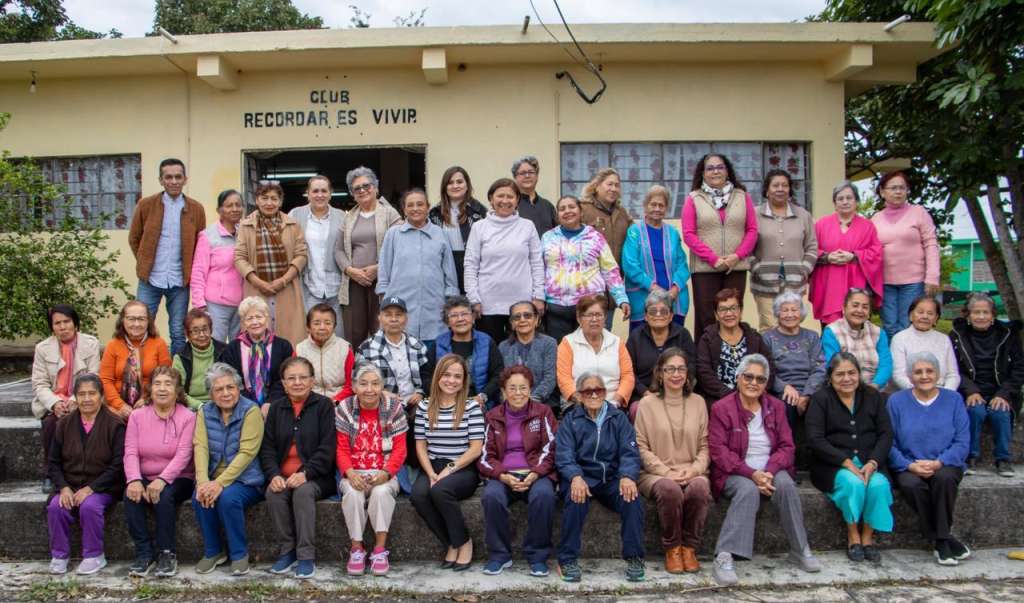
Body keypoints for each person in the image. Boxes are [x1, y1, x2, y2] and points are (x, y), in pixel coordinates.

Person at [708, 354, 821, 586]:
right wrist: (752, 474)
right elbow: (719, 452)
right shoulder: (722, 408)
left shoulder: (776, 407)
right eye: (748, 377)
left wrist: (768, 472)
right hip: (735, 471)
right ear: (738, 378)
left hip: (770, 469)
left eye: (760, 379)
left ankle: (800, 549)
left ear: (766, 383)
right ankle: (724, 556)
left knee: (787, 485)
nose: (753, 383)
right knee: (748, 490)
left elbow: (787, 446)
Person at [555, 372, 646, 583]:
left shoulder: (618, 418)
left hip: (611, 478)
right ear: (579, 395)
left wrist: (627, 476)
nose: (594, 395)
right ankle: (567, 559)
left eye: (599, 390)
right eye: (588, 391)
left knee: (631, 498)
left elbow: (630, 452)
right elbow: (564, 454)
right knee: (576, 498)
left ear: (605, 393)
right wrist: (575, 476)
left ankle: (634, 557)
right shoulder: (571, 420)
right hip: (582, 477)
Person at [805, 353, 893, 564]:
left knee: (878, 485)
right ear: (830, 377)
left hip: (869, 461)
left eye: (852, 373)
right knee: (853, 484)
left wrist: (873, 462)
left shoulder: (873, 396)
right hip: (832, 465)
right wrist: (845, 462)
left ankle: (867, 538)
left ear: (859, 374)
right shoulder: (820, 399)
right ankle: (853, 535)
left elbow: (885, 434)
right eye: (840, 374)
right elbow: (815, 439)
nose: (847, 379)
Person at [887, 351, 971, 566]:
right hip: (909, 464)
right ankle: (944, 538)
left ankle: (940, 541)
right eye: (918, 372)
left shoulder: (954, 399)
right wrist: (909, 465)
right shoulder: (896, 401)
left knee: (944, 479)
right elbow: (888, 442)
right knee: (911, 485)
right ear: (910, 376)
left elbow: (962, 441)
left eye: (929, 371)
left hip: (945, 463)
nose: (924, 376)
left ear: (938, 373)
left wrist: (939, 462)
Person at [633, 349, 710, 574]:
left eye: (681, 369)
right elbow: (640, 446)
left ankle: (689, 548)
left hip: (692, 470)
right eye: (670, 369)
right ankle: (673, 548)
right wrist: (666, 472)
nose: (676, 374)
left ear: (687, 373)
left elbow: (705, 445)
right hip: (655, 473)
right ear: (660, 373)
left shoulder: (698, 402)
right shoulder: (646, 404)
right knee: (670, 490)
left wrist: (694, 469)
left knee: (699, 488)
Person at [260, 357, 337, 579]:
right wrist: (274, 475)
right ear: (283, 383)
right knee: (273, 493)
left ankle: (305, 555)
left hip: (317, 477)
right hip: (283, 474)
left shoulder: (324, 406)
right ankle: (288, 551)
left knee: (303, 492)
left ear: (312, 381)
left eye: (303, 377)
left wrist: (305, 473)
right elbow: (267, 448)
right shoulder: (276, 408)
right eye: (291, 378)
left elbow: (328, 448)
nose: (297, 382)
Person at [478, 366, 559, 577]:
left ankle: (538, 556)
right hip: (504, 474)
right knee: (491, 497)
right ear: (503, 391)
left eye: (523, 388)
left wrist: (535, 473)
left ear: (530, 389)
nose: (518, 393)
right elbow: (486, 455)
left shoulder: (543, 412)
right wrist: (502, 475)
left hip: (536, 473)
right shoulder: (493, 416)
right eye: (512, 388)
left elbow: (551, 448)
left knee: (544, 496)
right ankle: (499, 555)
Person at [411, 354, 485, 571]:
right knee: (418, 495)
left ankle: (465, 542)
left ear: (464, 381)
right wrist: (430, 473)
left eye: (457, 376)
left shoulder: (471, 407)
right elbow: (421, 446)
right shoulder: (424, 407)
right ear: (437, 377)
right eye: (446, 375)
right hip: (433, 465)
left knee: (440, 491)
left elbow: (476, 448)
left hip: (463, 467)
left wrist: (448, 471)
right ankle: (452, 542)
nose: (451, 380)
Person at [46, 374, 125, 576]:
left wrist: (91, 488)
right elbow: (53, 462)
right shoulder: (64, 424)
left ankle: (94, 555)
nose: (87, 399)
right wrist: (64, 487)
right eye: (81, 394)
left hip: (103, 486)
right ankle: (59, 555)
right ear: (75, 397)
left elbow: (118, 465)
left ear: (101, 396)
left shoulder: (115, 424)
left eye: (92, 393)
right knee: (56, 506)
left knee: (89, 506)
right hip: (70, 484)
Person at [192, 362, 265, 576]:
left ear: (238, 388)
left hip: (247, 479)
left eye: (230, 387)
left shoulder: (251, 410)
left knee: (227, 498)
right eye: (219, 389)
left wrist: (219, 483)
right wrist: (203, 482)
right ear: (211, 394)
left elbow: (247, 453)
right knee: (199, 496)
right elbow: (201, 446)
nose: (226, 393)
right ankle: (214, 551)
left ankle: (239, 554)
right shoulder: (205, 411)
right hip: (214, 477)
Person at [335, 363, 408, 577]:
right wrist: (350, 473)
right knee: (352, 493)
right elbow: (341, 448)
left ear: (382, 386)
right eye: (363, 383)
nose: (369, 389)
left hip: (384, 470)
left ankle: (379, 550)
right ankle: (357, 549)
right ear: (354, 387)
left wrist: (386, 472)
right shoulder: (345, 407)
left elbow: (400, 449)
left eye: (375, 384)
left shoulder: (393, 407)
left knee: (381, 492)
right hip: (354, 471)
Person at [123, 366, 196, 577]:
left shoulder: (188, 417)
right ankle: (144, 553)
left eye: (168, 384)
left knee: (163, 496)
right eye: (157, 383)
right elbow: (130, 451)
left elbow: (184, 454)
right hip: (145, 475)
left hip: (179, 477)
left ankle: (167, 553)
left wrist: (163, 479)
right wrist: (134, 480)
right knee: (130, 496)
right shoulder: (137, 416)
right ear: (150, 389)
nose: (162, 389)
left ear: (178, 390)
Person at [129, 157, 206, 355]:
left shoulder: (196, 209)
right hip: (150, 279)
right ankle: (142, 369)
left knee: (178, 332)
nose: (174, 181)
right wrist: (145, 262)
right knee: (140, 327)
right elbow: (134, 238)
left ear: (185, 179)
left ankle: (176, 371)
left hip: (180, 281)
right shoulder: (146, 205)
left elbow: (201, 245)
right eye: (168, 177)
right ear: (161, 180)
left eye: (178, 177)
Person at [355, 296, 430, 495]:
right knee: (397, 416)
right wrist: (382, 392)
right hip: (382, 400)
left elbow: (427, 375)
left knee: (422, 415)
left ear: (406, 318)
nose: (394, 319)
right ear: (380, 318)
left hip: (413, 399)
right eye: (388, 315)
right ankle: (398, 471)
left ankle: (417, 468)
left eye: (399, 315)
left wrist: (420, 392)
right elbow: (360, 377)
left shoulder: (417, 345)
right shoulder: (368, 347)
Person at [681, 154, 759, 336]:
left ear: (727, 171)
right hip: (704, 269)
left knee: (731, 315)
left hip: (735, 267)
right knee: (706, 317)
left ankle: (732, 352)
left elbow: (752, 230)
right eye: (710, 168)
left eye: (720, 167)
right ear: (703, 173)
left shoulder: (743, 197)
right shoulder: (693, 198)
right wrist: (713, 259)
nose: (715, 171)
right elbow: (689, 234)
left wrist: (737, 256)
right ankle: (705, 353)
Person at [949, 292, 1024, 477]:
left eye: (985, 312)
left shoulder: (1008, 334)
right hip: (971, 390)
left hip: (1001, 390)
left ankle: (1003, 459)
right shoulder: (957, 335)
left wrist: (1004, 393)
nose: (981, 316)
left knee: (1001, 413)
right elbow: (953, 368)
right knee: (975, 411)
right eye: (976, 312)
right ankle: (971, 457)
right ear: (968, 314)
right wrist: (970, 390)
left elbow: (1019, 368)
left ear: (993, 315)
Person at [464, 178, 545, 343]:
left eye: (510, 196)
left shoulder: (527, 226)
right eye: (500, 196)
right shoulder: (479, 227)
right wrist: (473, 298)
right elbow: (471, 265)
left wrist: (539, 296)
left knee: (522, 351)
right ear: (491, 198)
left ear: (517, 200)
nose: (505, 201)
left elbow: (537, 263)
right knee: (491, 352)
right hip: (487, 305)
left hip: (522, 304)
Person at [541, 194, 629, 343]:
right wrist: (538, 298)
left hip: (590, 308)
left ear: (581, 212)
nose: (567, 211)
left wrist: (621, 298)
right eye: (562, 209)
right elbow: (539, 269)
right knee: (561, 352)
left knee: (589, 350)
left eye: (572, 207)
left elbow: (610, 270)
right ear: (557, 215)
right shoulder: (547, 237)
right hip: (556, 309)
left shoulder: (595, 237)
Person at [32, 304, 101, 493]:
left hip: (83, 399)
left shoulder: (91, 343)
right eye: (57, 323)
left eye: (67, 321)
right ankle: (49, 473)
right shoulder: (42, 348)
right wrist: (54, 403)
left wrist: (74, 400)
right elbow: (39, 384)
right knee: (50, 423)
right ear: (52, 327)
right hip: (54, 401)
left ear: (75, 324)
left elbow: (94, 376)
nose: (62, 327)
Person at [377, 188, 460, 344]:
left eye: (420, 204)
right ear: (404, 209)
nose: (415, 209)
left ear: (428, 207)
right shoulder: (393, 234)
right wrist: (384, 296)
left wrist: (451, 298)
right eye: (410, 205)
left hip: (434, 304)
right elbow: (384, 269)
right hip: (399, 303)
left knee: (433, 350)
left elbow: (449, 270)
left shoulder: (440, 234)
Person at [235, 181, 309, 345]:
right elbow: (239, 257)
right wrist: (259, 283)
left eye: (274, 199)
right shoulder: (246, 225)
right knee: (257, 332)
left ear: (280, 202)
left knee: (289, 336)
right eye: (264, 198)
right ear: (257, 200)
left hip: (287, 287)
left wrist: (283, 280)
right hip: (256, 289)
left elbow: (301, 255)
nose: (269, 203)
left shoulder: (292, 224)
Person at [335, 166, 402, 347]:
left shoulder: (390, 213)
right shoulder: (348, 217)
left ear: (376, 188)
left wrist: (378, 269)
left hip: (382, 281)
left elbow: (401, 247)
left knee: (380, 327)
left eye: (366, 185)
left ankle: (381, 364)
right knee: (354, 331)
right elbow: (338, 250)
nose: (362, 190)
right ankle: (358, 364)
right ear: (352, 194)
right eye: (357, 188)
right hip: (354, 282)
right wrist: (350, 271)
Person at [871, 172, 941, 338]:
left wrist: (932, 276)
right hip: (885, 282)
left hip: (913, 282)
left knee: (907, 325)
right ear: (882, 192)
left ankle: (909, 356)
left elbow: (931, 244)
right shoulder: (875, 219)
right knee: (889, 326)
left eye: (902, 188)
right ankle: (892, 356)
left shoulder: (919, 213)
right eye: (893, 188)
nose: (898, 192)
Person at [808, 181, 884, 326]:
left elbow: (876, 253)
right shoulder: (821, 225)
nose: (845, 202)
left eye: (849, 198)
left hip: (857, 283)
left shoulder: (868, 226)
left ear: (856, 201)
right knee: (830, 328)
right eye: (840, 198)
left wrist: (854, 256)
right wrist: (827, 257)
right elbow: (810, 249)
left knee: (857, 325)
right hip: (829, 284)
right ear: (834, 203)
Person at [751, 170, 818, 331]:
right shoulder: (754, 214)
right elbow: (746, 248)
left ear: (789, 189)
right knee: (768, 327)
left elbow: (812, 246)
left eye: (785, 185)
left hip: (795, 282)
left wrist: (804, 269)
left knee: (792, 325)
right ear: (767, 190)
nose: (780, 189)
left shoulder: (803, 215)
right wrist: (757, 268)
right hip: (764, 283)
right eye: (775, 185)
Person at [621, 185, 691, 330]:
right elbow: (630, 265)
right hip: (642, 299)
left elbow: (682, 264)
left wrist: (674, 290)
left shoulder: (673, 233)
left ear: (666, 208)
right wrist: (654, 288)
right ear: (645, 206)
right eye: (653, 204)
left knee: (674, 341)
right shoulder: (634, 232)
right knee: (642, 341)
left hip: (674, 299)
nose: (657, 209)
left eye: (661, 205)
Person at [556, 294, 635, 413]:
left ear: (605, 318)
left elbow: (627, 376)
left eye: (598, 315)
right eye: (589, 315)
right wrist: (584, 403)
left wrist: (615, 402)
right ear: (579, 318)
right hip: (578, 405)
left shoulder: (617, 342)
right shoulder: (568, 343)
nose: (594, 319)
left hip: (613, 405)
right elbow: (564, 379)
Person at [423, 296, 504, 409]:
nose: (460, 319)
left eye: (464, 314)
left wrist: (482, 396)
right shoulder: (438, 343)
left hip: (480, 403)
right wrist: (442, 397)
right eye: (454, 315)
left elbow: (498, 374)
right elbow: (426, 376)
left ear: (473, 317)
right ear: (447, 322)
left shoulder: (486, 341)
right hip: (444, 402)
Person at [695, 289, 774, 403]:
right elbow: (704, 373)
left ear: (740, 311)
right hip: (720, 400)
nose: (729, 314)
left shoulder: (754, 337)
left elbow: (768, 367)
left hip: (754, 397)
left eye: (733, 308)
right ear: (716, 315)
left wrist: (756, 392)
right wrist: (731, 396)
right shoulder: (707, 339)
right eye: (723, 309)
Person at [218, 296, 294, 414]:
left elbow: (284, 379)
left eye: (259, 317)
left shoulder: (283, 346)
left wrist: (270, 403)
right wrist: (250, 405)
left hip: (278, 403)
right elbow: (232, 381)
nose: (255, 322)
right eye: (249, 318)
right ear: (243, 322)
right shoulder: (232, 349)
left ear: (267, 318)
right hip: (242, 405)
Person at [289, 175, 344, 335]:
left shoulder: (342, 216)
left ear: (330, 193)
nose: (320, 195)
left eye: (324, 191)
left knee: (338, 334)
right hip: (309, 284)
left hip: (337, 285)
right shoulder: (295, 214)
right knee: (311, 333)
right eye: (315, 191)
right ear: (308, 193)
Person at [763, 292, 826, 430]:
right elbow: (765, 370)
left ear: (801, 313)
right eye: (785, 310)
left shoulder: (812, 336)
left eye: (794, 310)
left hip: (810, 389)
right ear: (777, 313)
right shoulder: (767, 338)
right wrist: (784, 387)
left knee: (823, 406)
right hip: (782, 391)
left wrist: (806, 394)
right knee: (787, 405)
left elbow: (820, 367)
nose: (790, 314)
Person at [99, 300, 172, 420]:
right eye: (131, 319)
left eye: (141, 319)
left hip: (151, 402)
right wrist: (120, 405)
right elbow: (105, 380)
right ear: (123, 320)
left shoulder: (159, 344)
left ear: (148, 321)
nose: (136, 324)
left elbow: (166, 379)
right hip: (117, 406)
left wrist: (147, 399)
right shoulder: (113, 345)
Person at [190, 188, 244, 343]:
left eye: (238, 205)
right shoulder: (208, 236)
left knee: (239, 347)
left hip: (242, 303)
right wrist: (199, 303)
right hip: (216, 304)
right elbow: (198, 271)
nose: (234, 209)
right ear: (219, 210)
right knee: (216, 345)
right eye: (229, 205)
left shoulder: (245, 233)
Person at [625, 290, 696, 403]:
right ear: (646, 316)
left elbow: (692, 366)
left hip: (678, 393)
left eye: (663, 311)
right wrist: (645, 392)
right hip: (643, 396)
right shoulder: (636, 337)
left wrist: (677, 391)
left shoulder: (682, 334)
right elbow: (628, 371)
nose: (658, 315)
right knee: (638, 408)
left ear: (671, 316)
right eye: (653, 311)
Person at [429, 166, 488, 292]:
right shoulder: (434, 213)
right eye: (450, 183)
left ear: (467, 185)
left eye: (459, 182)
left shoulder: (480, 211)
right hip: (444, 264)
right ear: (445, 187)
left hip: (473, 265)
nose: (455, 186)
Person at [822, 289, 892, 390]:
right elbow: (832, 365)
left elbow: (886, 364)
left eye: (865, 307)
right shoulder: (831, 331)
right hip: (844, 388)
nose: (859, 310)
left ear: (869, 312)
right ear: (844, 308)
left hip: (875, 389)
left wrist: (875, 385)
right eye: (855, 305)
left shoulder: (878, 333)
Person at [497, 301, 559, 411]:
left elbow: (549, 379)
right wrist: (514, 402)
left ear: (537, 320)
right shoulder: (503, 347)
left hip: (543, 403)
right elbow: (502, 380)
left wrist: (530, 401)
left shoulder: (549, 343)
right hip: (512, 404)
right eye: (517, 317)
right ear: (512, 323)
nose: (522, 320)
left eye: (527, 315)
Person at [891, 296, 960, 391]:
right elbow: (898, 375)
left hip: (942, 391)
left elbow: (953, 375)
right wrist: (919, 393)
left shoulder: (944, 339)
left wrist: (946, 393)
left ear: (936, 318)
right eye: (920, 312)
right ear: (911, 315)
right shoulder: (899, 338)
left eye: (930, 313)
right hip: (911, 392)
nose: (925, 316)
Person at [295, 304, 354, 399]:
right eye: (316, 323)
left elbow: (350, 385)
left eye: (328, 323)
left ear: (334, 326)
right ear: (308, 327)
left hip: (339, 402)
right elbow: (296, 383)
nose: (322, 327)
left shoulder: (345, 348)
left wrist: (334, 401)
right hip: (309, 401)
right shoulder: (300, 349)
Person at [172, 308, 227, 409]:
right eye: (195, 331)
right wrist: (200, 406)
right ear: (188, 335)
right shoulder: (180, 357)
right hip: (191, 406)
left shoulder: (224, 350)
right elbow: (177, 389)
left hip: (221, 402)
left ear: (211, 330)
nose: (202, 335)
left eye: (205, 329)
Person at [511, 155, 557, 236]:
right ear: (515, 178)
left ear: (537, 176)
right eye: (522, 173)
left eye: (531, 172)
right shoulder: (511, 205)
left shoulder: (548, 206)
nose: (527, 176)